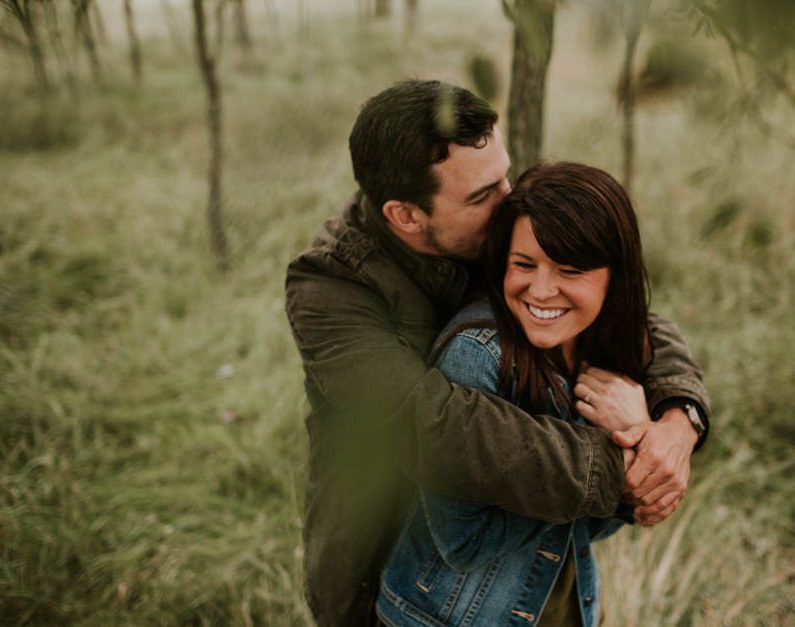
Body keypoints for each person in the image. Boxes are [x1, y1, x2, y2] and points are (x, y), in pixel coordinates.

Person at [284, 80, 710, 626]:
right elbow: (434, 428)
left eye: (504, 175)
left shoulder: (487, 229)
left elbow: (624, 313)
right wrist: (620, 462)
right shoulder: (329, 289)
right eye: (483, 195)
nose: (508, 199)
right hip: (388, 578)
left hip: (527, 578)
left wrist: (678, 421)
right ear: (407, 216)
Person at [377, 161, 655, 627]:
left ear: (614, 276)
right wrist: (617, 461)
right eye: (524, 264)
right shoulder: (475, 357)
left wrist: (637, 444)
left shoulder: (602, 350)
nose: (541, 290)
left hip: (565, 608)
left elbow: (597, 524)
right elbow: (461, 541)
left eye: (569, 270)